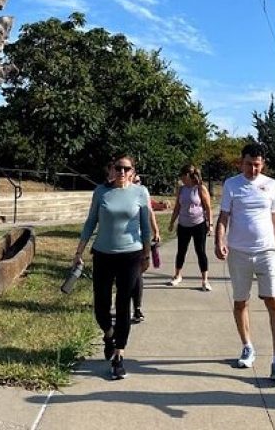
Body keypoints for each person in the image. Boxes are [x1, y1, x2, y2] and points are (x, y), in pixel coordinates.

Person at [214, 142, 275, 381]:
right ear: (241, 163)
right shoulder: (231, 184)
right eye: (249, 164)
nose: (253, 169)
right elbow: (223, 217)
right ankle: (247, 345)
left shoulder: (271, 185)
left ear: (263, 164)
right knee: (241, 302)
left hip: (267, 252)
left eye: (257, 165)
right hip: (239, 253)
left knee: (274, 301)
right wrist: (219, 241)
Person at [73, 154, 151, 380]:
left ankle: (119, 356)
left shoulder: (140, 193)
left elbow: (145, 227)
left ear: (133, 172)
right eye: (118, 168)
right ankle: (109, 335)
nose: (122, 172)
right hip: (103, 254)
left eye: (127, 169)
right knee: (101, 307)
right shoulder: (101, 192)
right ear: (112, 170)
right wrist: (79, 251)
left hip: (131, 255)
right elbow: (90, 222)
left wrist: (146, 254)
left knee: (123, 304)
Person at [166, 164, 213, 291]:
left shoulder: (200, 188)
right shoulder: (181, 189)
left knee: (200, 251)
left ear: (188, 175)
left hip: (199, 224)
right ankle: (177, 275)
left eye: (183, 175)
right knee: (181, 251)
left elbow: (208, 207)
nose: (181, 178)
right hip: (183, 224)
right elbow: (177, 207)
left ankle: (205, 280)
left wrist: (210, 224)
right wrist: (172, 222)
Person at [131, 174, 161, 323]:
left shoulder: (142, 192)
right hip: (122, 243)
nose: (137, 183)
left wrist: (156, 231)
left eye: (138, 181)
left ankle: (136, 308)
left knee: (137, 274)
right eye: (135, 181)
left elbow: (149, 212)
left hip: (139, 240)